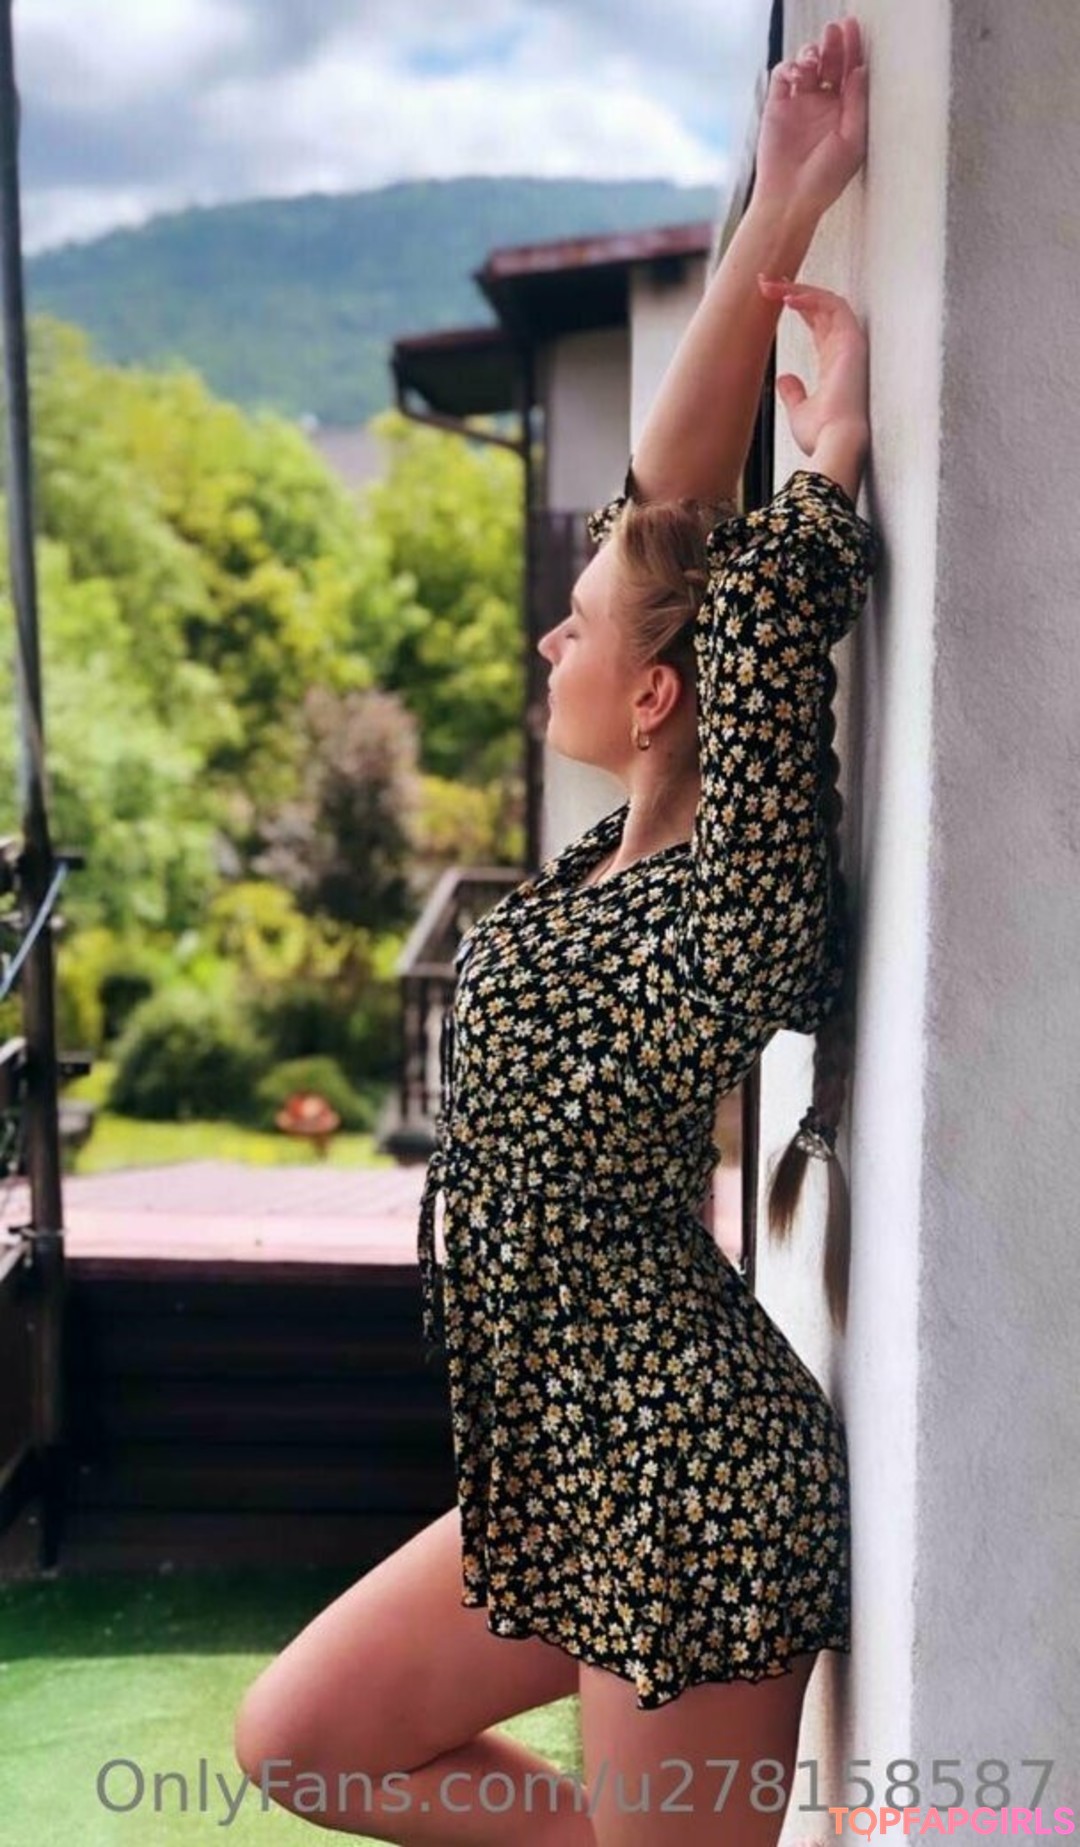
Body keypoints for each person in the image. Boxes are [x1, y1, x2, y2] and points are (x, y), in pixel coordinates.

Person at [233, 16, 879, 1847]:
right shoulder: (607, 866)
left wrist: (826, 471)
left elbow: (751, 618)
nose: (550, 634)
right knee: (300, 1739)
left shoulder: (732, 898)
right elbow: (668, 508)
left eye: (578, 624)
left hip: (687, 1487)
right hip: (563, 1471)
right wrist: (785, 205)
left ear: (664, 693)